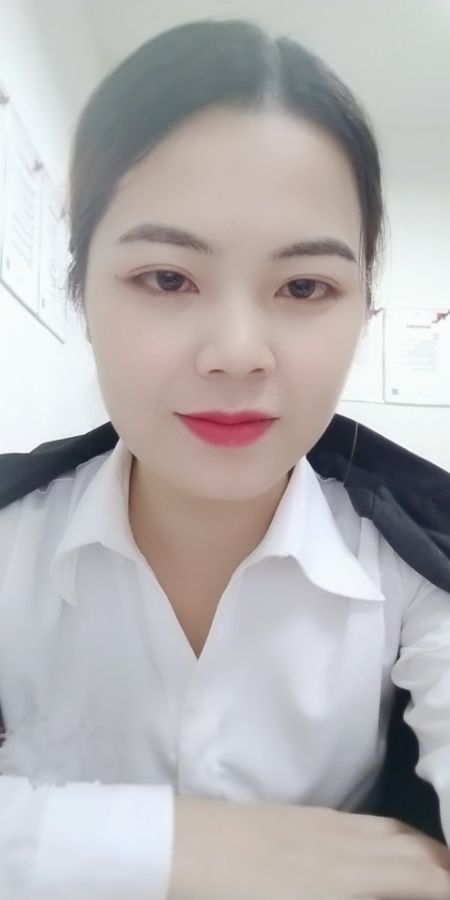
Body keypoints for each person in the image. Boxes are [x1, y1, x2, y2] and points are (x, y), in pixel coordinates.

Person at [0, 16, 450, 900]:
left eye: (304, 286)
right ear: (82, 291)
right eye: (167, 278)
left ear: (362, 312)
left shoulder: (420, 566)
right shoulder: (11, 536)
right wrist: (196, 848)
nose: (238, 353)